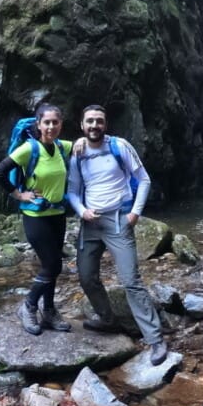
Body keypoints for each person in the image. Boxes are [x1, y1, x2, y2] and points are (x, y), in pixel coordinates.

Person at [65, 104, 169, 365]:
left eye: (99, 121)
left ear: (105, 124)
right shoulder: (77, 153)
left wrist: (134, 213)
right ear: (81, 125)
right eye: (89, 121)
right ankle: (107, 319)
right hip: (90, 223)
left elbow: (143, 179)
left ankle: (155, 340)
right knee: (87, 277)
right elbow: (73, 191)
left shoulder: (119, 146)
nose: (94, 126)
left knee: (130, 280)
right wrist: (81, 211)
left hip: (118, 220)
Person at [0, 103, 72, 336]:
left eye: (55, 122)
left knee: (51, 266)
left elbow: (84, 146)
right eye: (46, 122)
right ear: (39, 124)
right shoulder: (29, 148)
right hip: (35, 216)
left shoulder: (61, 147)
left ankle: (49, 311)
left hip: (57, 215)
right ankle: (28, 305)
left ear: (60, 125)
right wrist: (18, 194)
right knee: (53, 265)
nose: (51, 126)